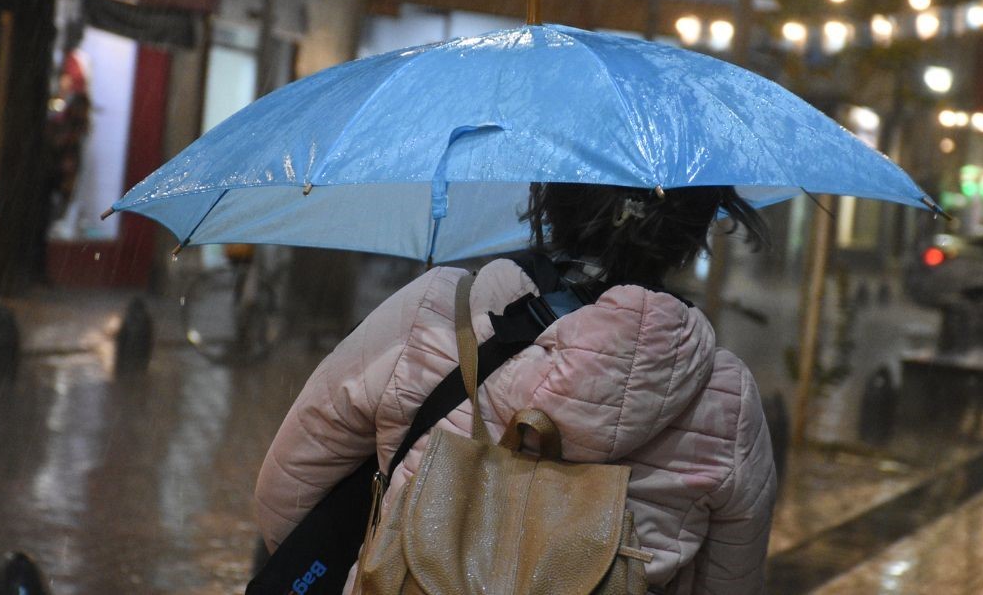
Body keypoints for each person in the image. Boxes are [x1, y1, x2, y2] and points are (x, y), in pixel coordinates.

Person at [254, 183, 779, 593]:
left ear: (551, 195)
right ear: (694, 228)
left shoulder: (435, 314)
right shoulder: (726, 398)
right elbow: (729, 580)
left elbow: (287, 494)